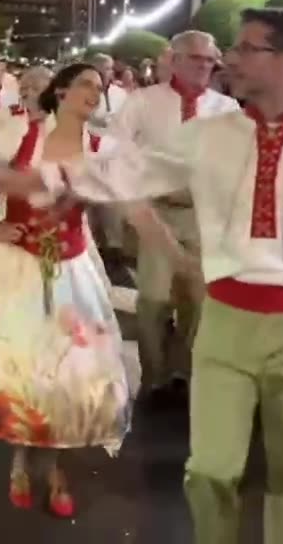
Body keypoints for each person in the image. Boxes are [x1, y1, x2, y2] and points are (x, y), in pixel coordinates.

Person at [0, 7, 283, 544]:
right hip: (224, 318)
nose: (232, 58)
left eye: (248, 48)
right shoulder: (211, 133)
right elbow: (129, 169)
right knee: (211, 468)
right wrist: (41, 177)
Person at [0, 63, 132, 518]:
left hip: (71, 268)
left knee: (69, 378)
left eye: (100, 85)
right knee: (20, 371)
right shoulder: (19, 134)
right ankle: (19, 459)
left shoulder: (101, 147)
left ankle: (56, 469)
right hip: (17, 266)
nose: (94, 92)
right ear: (62, 92)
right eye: (84, 84)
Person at [109, 30, 239, 401]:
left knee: (198, 300)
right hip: (158, 211)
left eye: (210, 60)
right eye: (196, 59)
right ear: (175, 59)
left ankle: (188, 372)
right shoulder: (143, 102)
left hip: (204, 214)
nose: (204, 66)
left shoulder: (226, 109)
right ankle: (155, 376)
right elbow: (116, 148)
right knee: (153, 298)